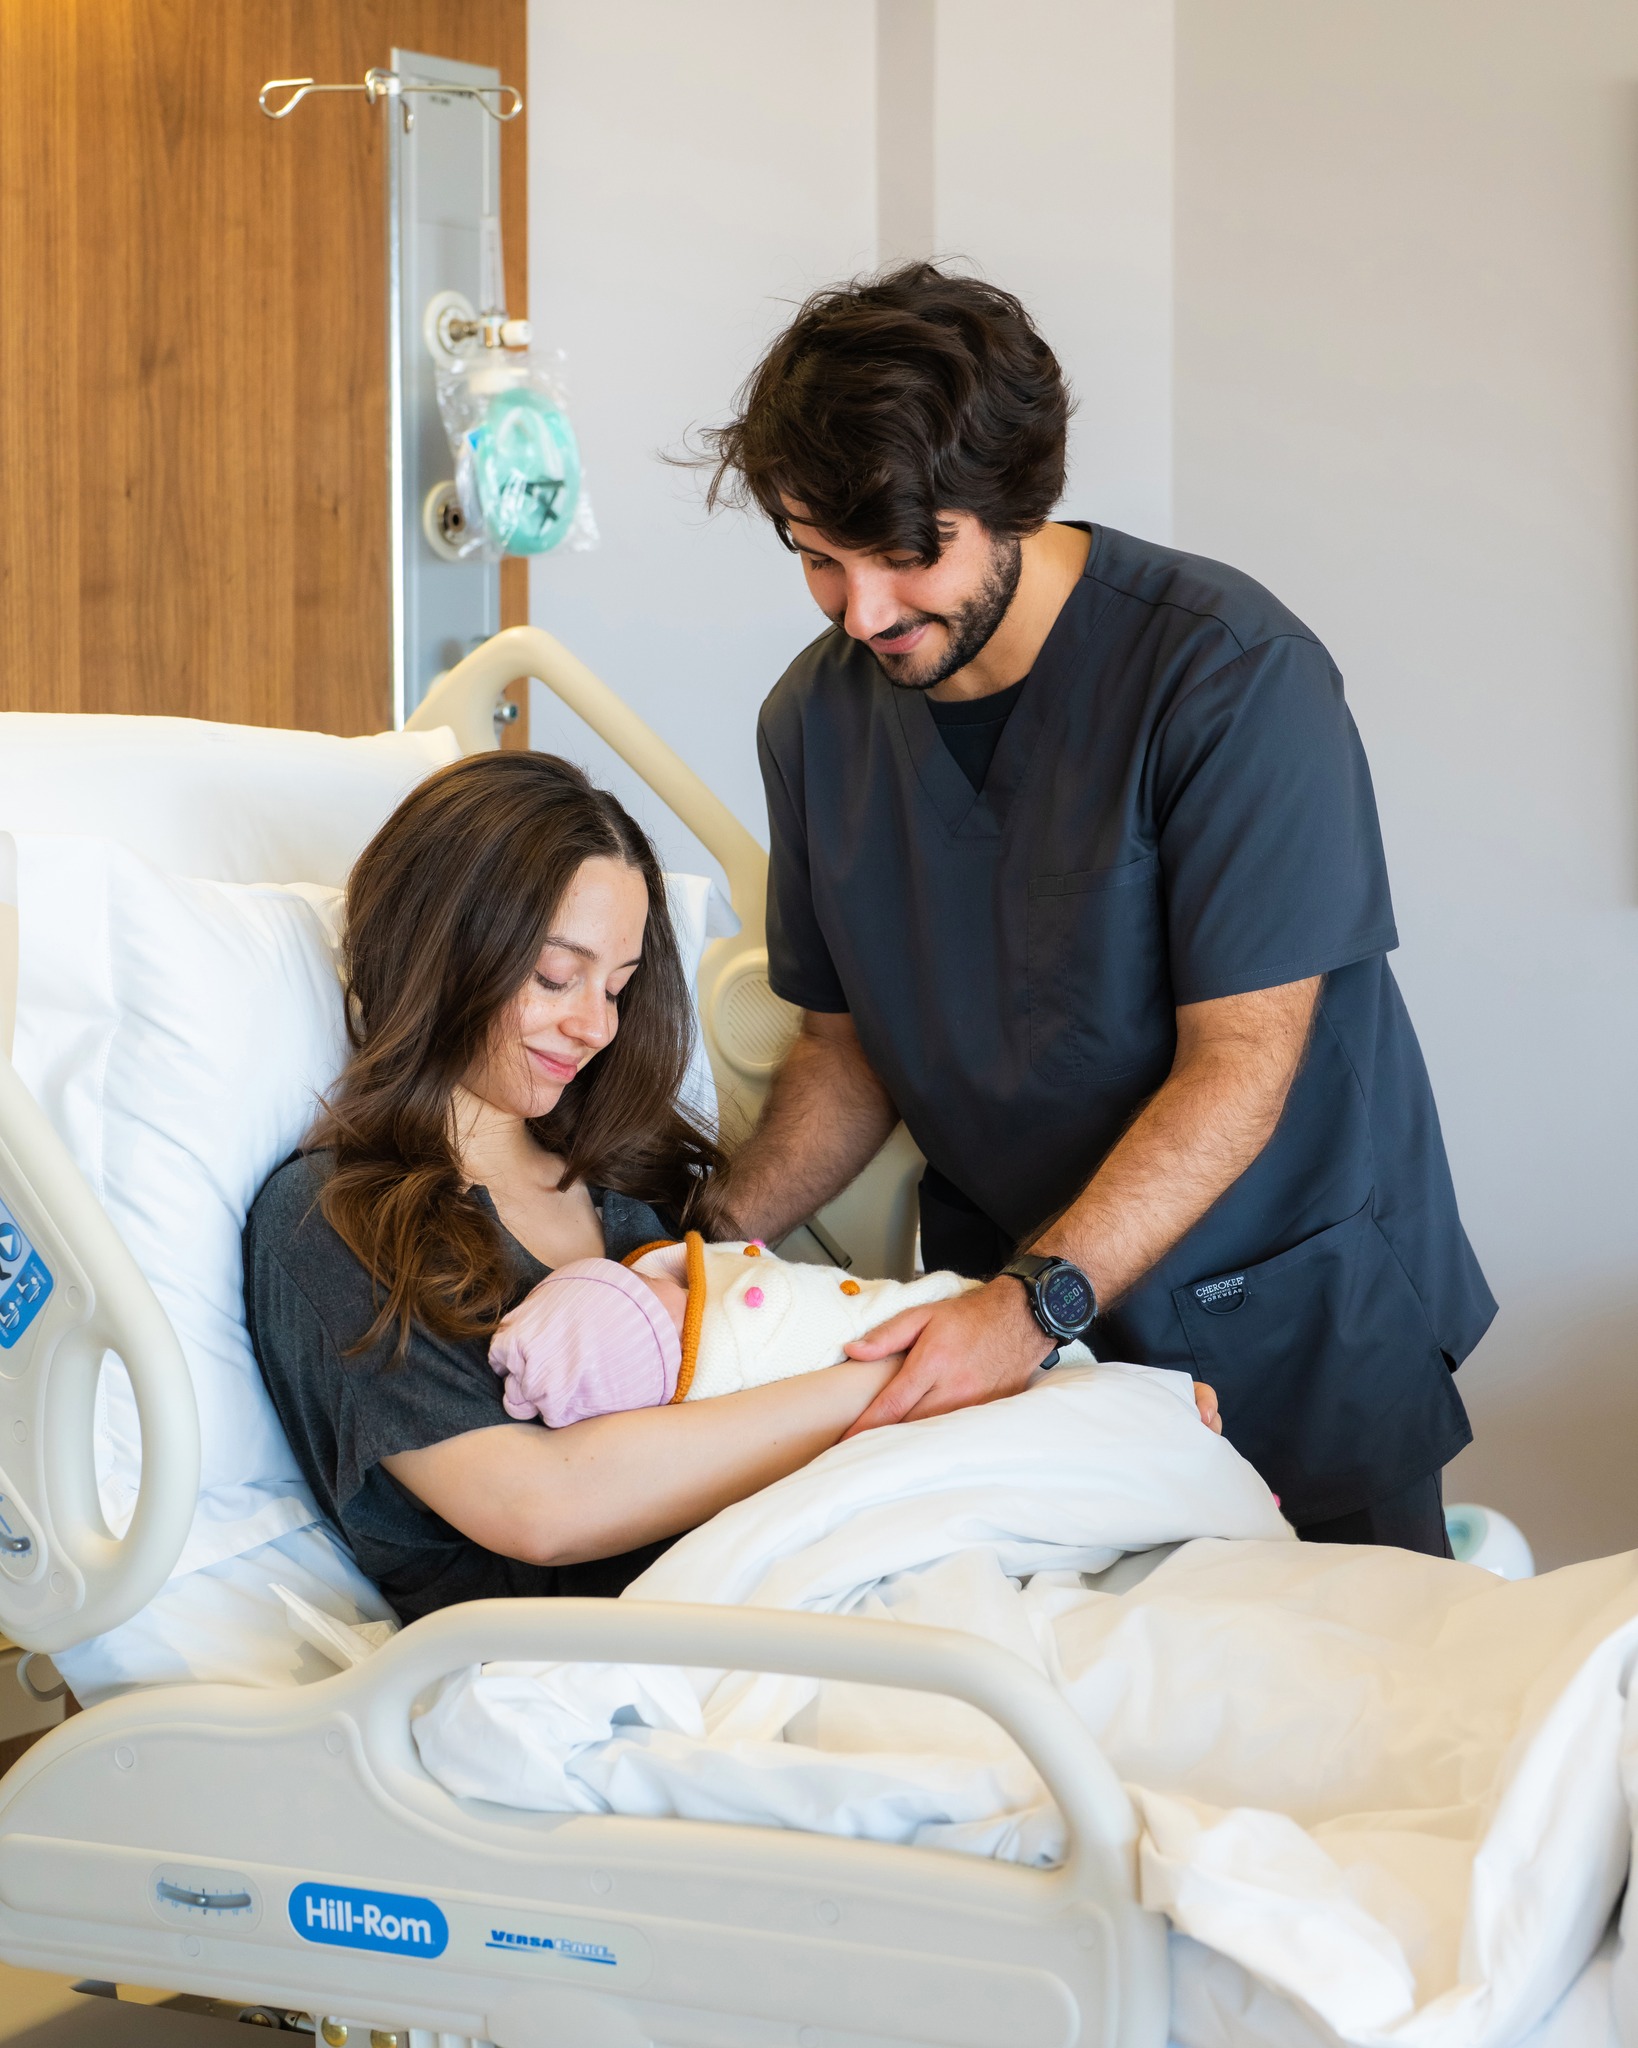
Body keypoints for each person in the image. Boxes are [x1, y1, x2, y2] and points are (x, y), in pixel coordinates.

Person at [698, 262, 1495, 1556]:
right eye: (818, 561)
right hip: (1017, 1342)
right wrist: (698, 1249)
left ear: (1013, 498)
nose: (865, 611)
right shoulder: (814, 721)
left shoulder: (1230, 679)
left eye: (907, 555)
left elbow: (1241, 1061)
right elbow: (847, 1054)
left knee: (1350, 1666)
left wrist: (1032, 1304)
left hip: (1280, 1315)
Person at [243, 752, 906, 1623]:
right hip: (604, 1649)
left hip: (825, 1554)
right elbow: (544, 1508)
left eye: (617, 988)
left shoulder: (625, 1181)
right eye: (556, 977)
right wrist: (893, 1383)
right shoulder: (335, 1221)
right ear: (437, 946)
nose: (596, 1026)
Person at [488, 1230, 1225, 1432]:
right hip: (959, 1394)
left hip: (998, 1329)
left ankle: (1143, 1410)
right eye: (652, 1296)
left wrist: (1015, 1318)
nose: (666, 1281)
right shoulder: (732, 1354)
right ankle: (1145, 1415)